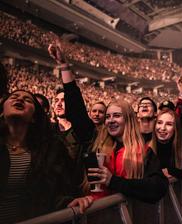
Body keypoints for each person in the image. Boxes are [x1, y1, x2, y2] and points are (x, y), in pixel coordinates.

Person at [48, 41, 168, 207]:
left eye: (117, 116)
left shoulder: (145, 152)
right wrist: (64, 66)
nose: (110, 120)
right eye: (108, 116)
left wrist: (114, 181)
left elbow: (158, 188)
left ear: (129, 120)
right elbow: (76, 112)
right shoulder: (95, 139)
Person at [0, 90, 84, 223]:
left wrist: (68, 202)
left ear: (34, 117)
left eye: (27, 100)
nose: (20, 99)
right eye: (14, 97)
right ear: (2, 111)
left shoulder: (49, 151)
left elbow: (50, 194)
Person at [150, 108, 182, 184]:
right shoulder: (146, 149)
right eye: (159, 122)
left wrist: (170, 170)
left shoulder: (180, 150)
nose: (162, 128)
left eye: (169, 124)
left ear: (175, 129)